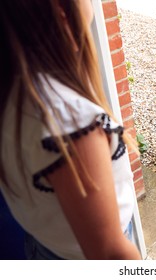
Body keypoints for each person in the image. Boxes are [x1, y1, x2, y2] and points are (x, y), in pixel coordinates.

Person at [0, 0, 142, 260]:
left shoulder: (13, 92)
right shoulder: (71, 121)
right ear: (60, 9)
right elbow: (110, 253)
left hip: (43, 246)